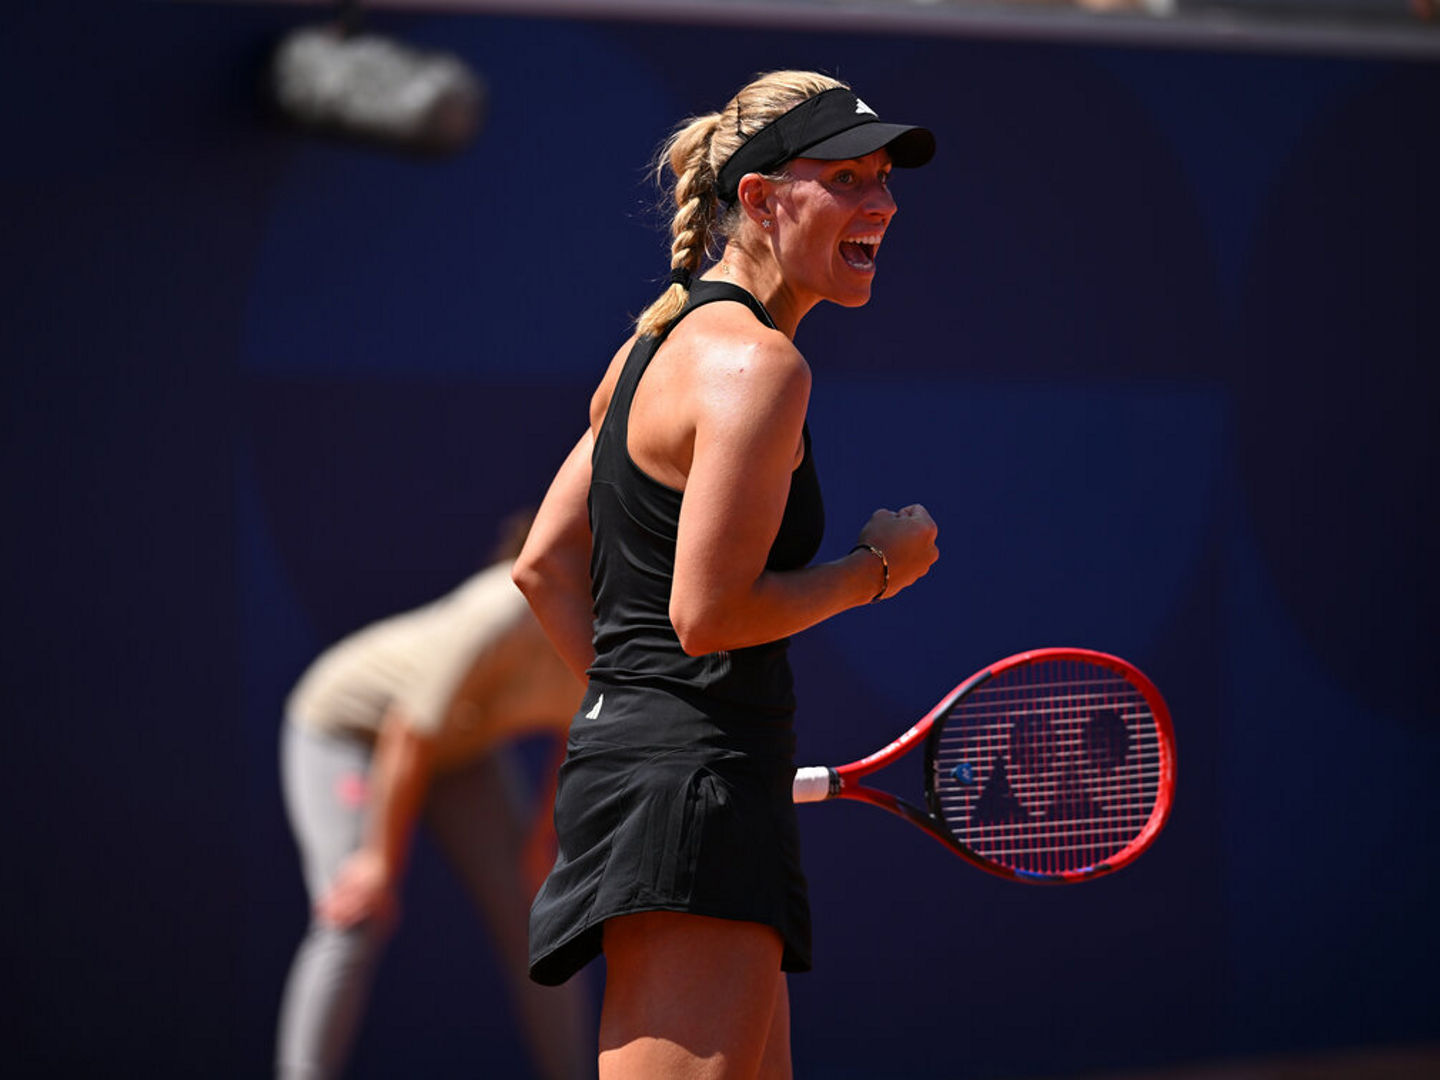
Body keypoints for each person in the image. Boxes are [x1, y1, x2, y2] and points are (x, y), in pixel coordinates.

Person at [511, 70, 940, 1079]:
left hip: (681, 779)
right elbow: (708, 616)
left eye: (884, 177)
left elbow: (543, 568)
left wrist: (644, 722)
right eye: (847, 178)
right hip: (694, 802)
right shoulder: (758, 367)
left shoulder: (648, 351)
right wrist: (877, 570)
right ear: (759, 199)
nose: (882, 202)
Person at [276, 510, 593, 1080]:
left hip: (458, 751)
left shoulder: (603, 638)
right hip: (349, 731)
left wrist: (542, 840)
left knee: (544, 914)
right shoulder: (500, 610)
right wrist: (377, 860)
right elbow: (408, 730)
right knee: (356, 910)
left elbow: (575, 739)